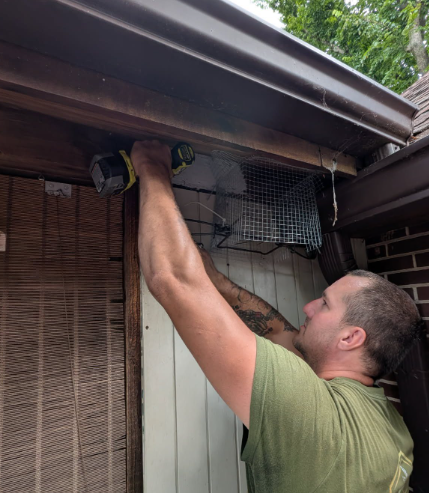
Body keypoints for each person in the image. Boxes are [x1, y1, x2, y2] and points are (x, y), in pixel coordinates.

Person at [132, 140, 423, 493]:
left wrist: (151, 165)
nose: (308, 308)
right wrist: (218, 282)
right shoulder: (390, 424)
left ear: (351, 338)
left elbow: (173, 278)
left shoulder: (314, 418)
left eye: (325, 304)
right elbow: (275, 330)